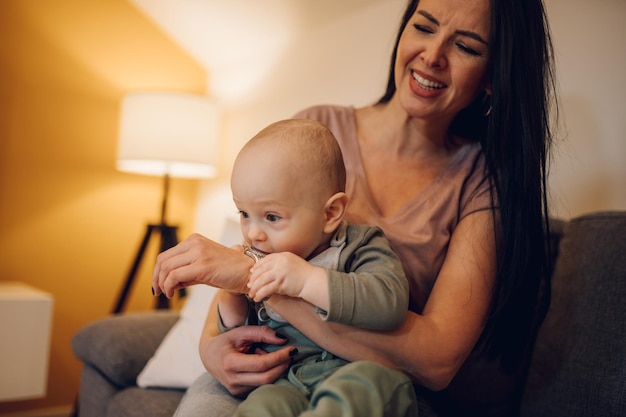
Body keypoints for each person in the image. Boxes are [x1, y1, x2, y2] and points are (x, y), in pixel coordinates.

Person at [153, 0, 557, 415]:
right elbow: (231, 304)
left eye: (466, 47)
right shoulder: (314, 132)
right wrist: (211, 352)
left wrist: (253, 276)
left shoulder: (481, 183)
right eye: (423, 27)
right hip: (277, 375)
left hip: (374, 383)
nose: (433, 56)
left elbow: (436, 361)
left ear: (494, 74)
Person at [218, 118, 415, 416]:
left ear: (330, 213)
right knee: (261, 407)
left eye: (272, 217)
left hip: (357, 370)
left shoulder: (359, 244)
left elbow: (389, 300)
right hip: (287, 382)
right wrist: (233, 290)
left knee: (367, 387)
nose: (253, 233)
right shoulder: (257, 254)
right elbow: (235, 331)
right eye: (244, 213)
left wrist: (305, 279)